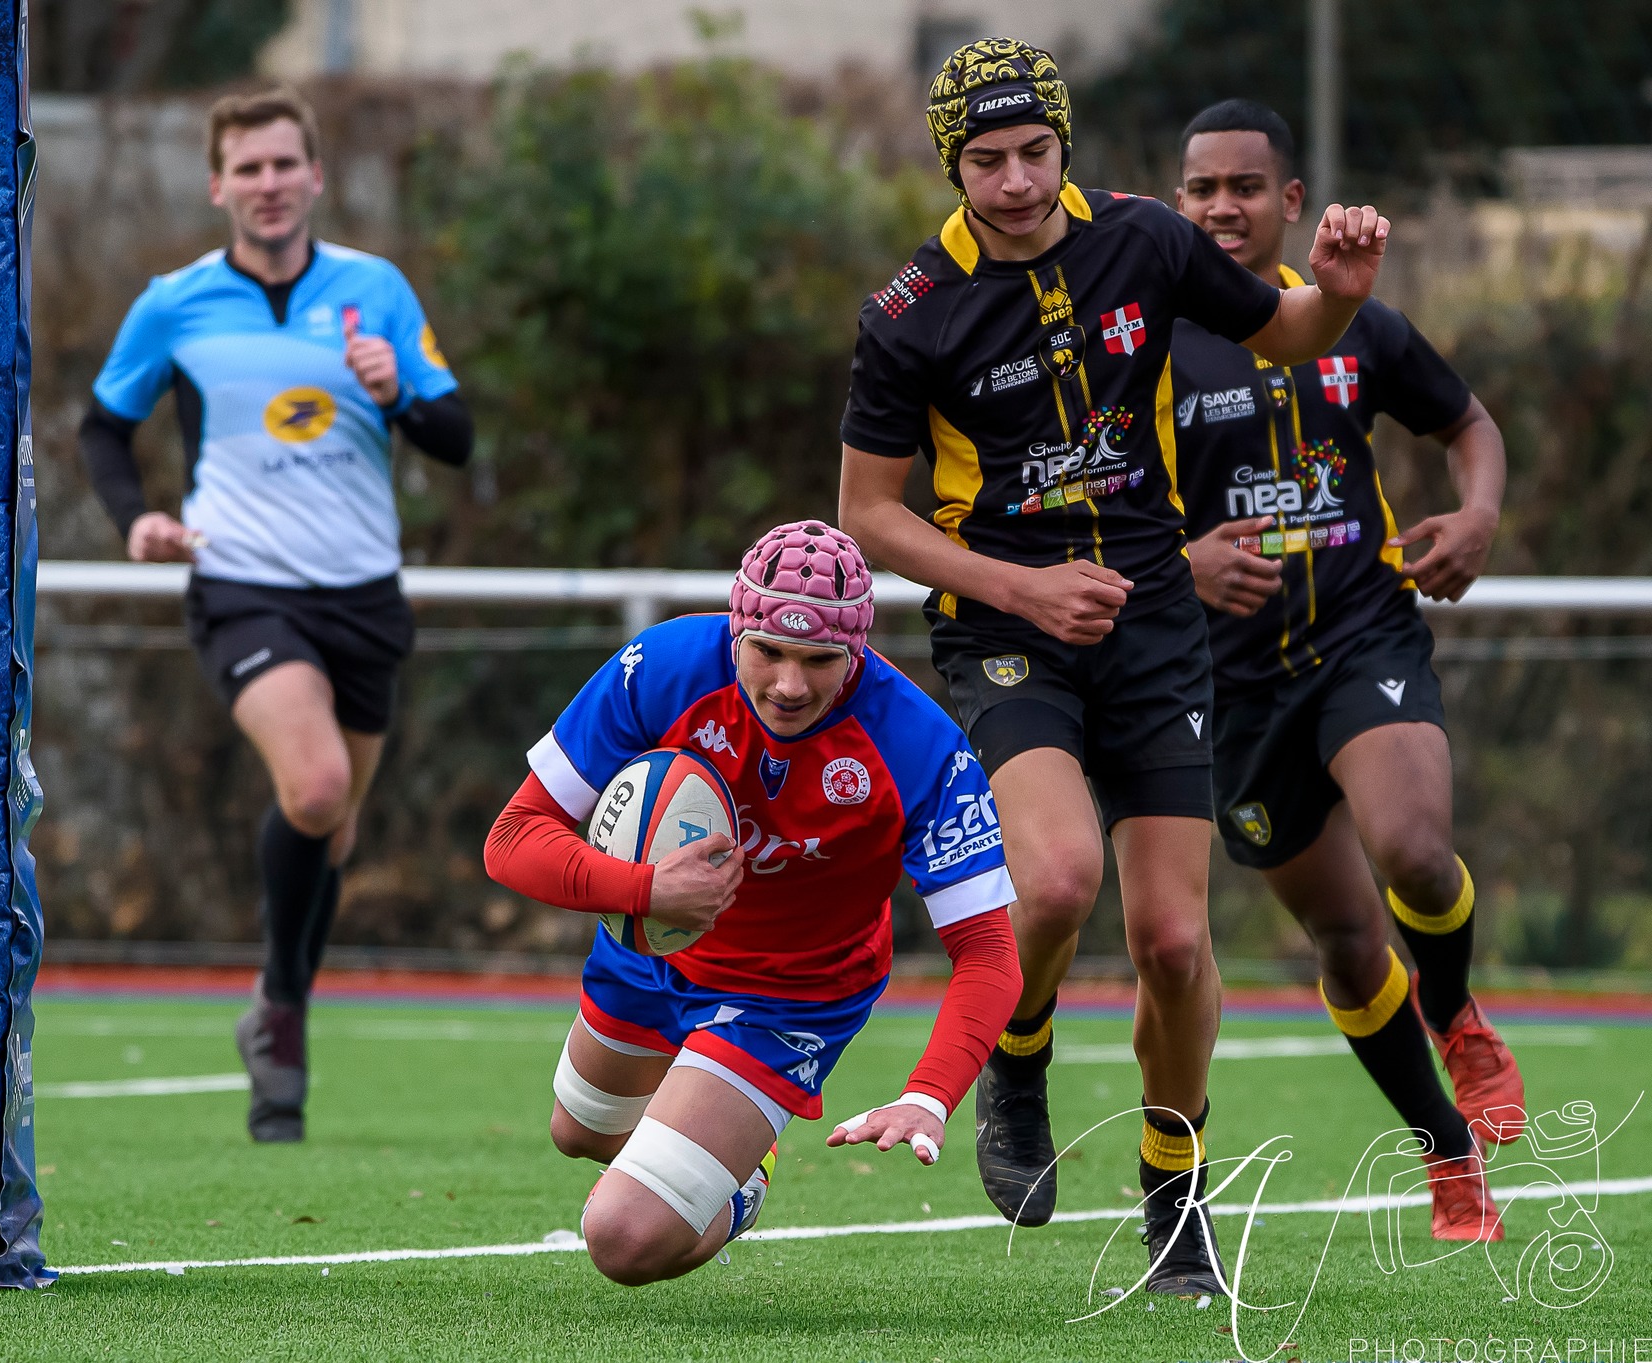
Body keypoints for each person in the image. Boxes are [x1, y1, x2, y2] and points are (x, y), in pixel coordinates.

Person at [836, 37, 1393, 1296]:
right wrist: (1020, 585)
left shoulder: (1143, 239)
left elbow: (1292, 331)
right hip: (1003, 625)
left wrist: (1343, 292)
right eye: (986, 161)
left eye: (1035, 151)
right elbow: (869, 513)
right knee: (1054, 882)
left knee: (1173, 942)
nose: (1018, 181)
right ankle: (1016, 1053)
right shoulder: (908, 312)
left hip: (1151, 623)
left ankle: (1172, 1192)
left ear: (1065, 147)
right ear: (949, 164)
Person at [79, 87, 474, 1142]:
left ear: (314, 176)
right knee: (313, 788)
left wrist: (398, 391)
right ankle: (286, 1010)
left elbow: (454, 436)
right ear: (216, 185)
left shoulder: (373, 289)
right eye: (245, 168)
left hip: (363, 594)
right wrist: (136, 522)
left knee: (334, 831)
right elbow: (101, 429)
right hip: (243, 583)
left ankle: (276, 1004)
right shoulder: (173, 302)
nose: (266, 185)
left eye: (282, 164)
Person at [483, 522, 1024, 1286]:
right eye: (767, 651)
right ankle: (722, 1144)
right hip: (652, 948)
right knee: (579, 1130)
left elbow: (992, 951)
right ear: (736, 626)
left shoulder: (920, 748)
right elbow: (512, 837)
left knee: (624, 1237)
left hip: (789, 995)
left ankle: (743, 1180)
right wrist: (645, 890)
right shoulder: (663, 669)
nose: (789, 684)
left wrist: (929, 1094)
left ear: (858, 651)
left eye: (818, 660)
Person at [1170, 99, 1522, 1240]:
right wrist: (1180, 563)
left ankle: (1458, 1012)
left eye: (1243, 186)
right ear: (1177, 205)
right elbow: (1090, 515)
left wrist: (1475, 515)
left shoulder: (1358, 325)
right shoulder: (1145, 348)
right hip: (1227, 690)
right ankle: (1444, 1153)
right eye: (1198, 188)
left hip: (1360, 633)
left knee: (1414, 854)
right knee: (1343, 938)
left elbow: (1467, 423)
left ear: (1286, 200)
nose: (1220, 205)